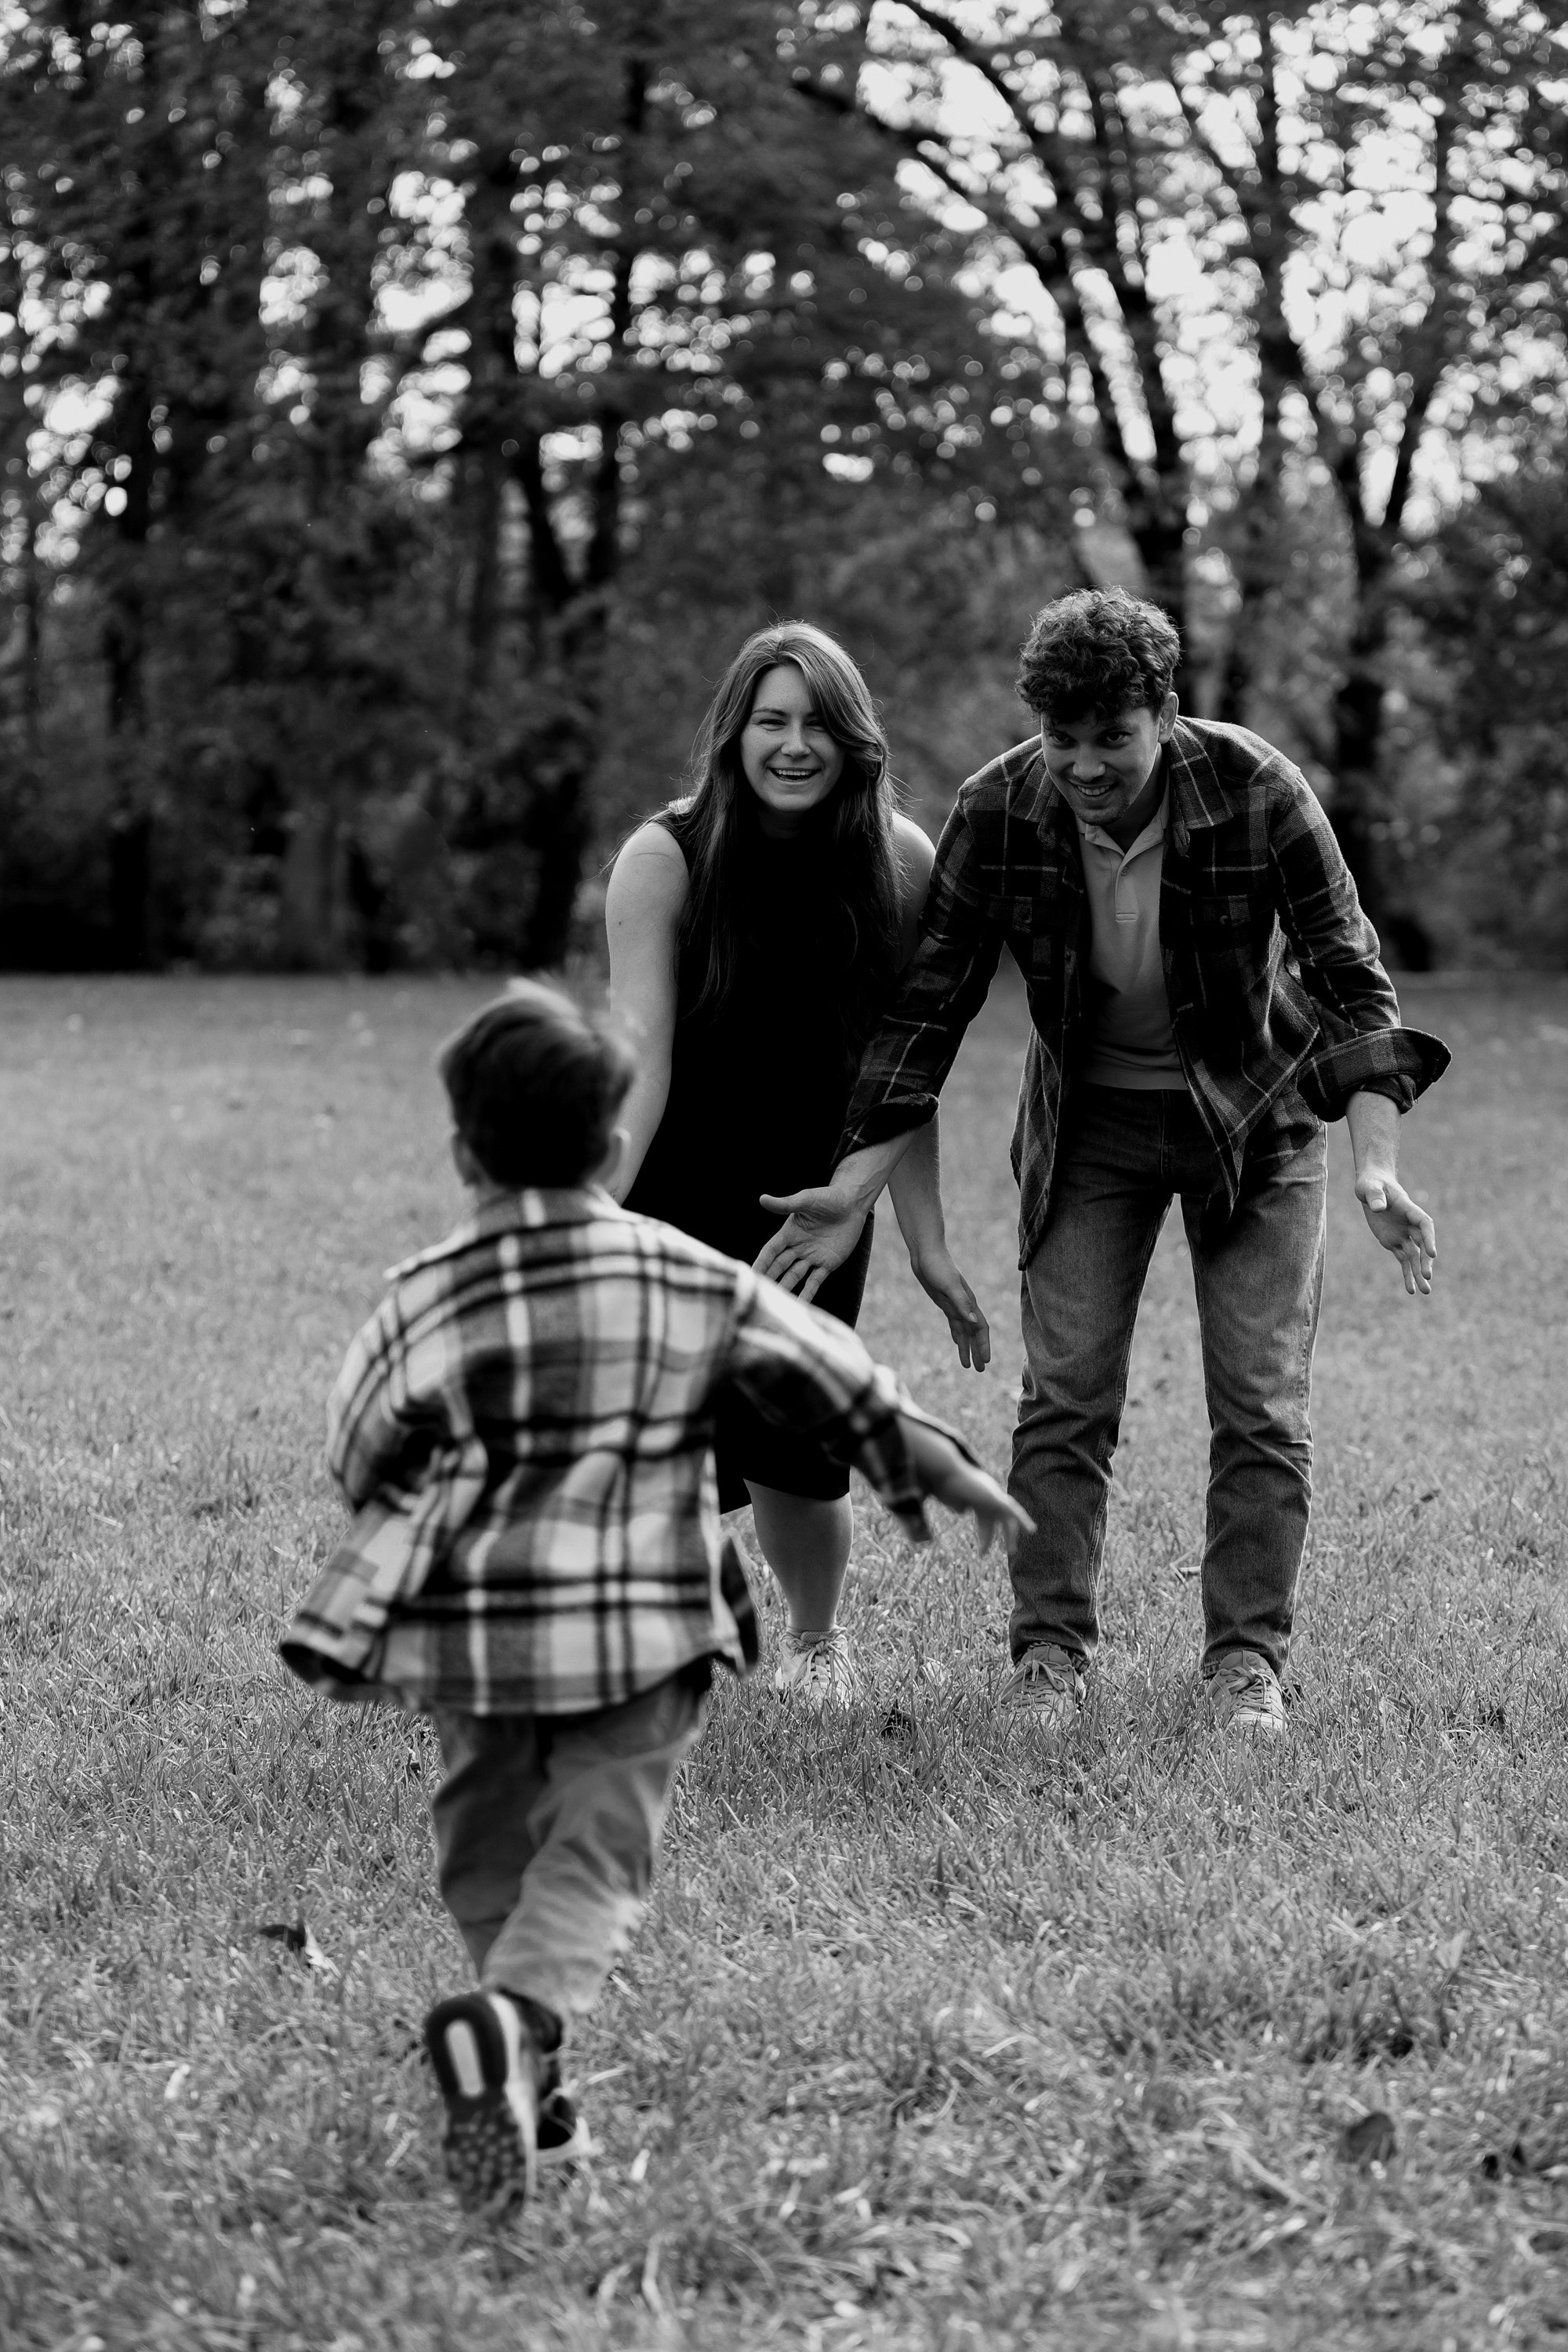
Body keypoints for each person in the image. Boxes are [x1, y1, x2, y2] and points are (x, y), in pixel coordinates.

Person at [278, 983, 1029, 2220]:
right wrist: (929, 1458)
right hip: (638, 1634)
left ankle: (527, 2075)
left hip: (475, 1643)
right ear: (617, 1144)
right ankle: (515, 2028)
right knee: (597, 1851)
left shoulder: (422, 1291)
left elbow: (360, 1446)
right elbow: (823, 1370)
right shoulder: (678, 1266)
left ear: (464, 1150)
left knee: (486, 1843)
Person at [755, 588, 1450, 1740]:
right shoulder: (1001, 805)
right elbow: (928, 1012)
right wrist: (855, 1190)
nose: (1081, 765)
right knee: (1066, 1397)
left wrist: (1376, 1165)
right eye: (1060, 738)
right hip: (1091, 1130)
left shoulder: (1257, 789)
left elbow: (1350, 980)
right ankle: (1049, 1659)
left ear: (1165, 714)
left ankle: (1243, 1665)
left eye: (1110, 739)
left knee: (1262, 1403)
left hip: (1258, 1121)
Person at [604, 622, 988, 1711]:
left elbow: (903, 1072)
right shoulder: (664, 856)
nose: (794, 743)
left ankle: (819, 1645)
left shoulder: (902, 861)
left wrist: (926, 1241)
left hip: (816, 1201)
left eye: (818, 721)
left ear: (853, 736)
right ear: (733, 734)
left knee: (792, 1437)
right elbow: (639, 1051)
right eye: (771, 720)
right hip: (675, 1183)